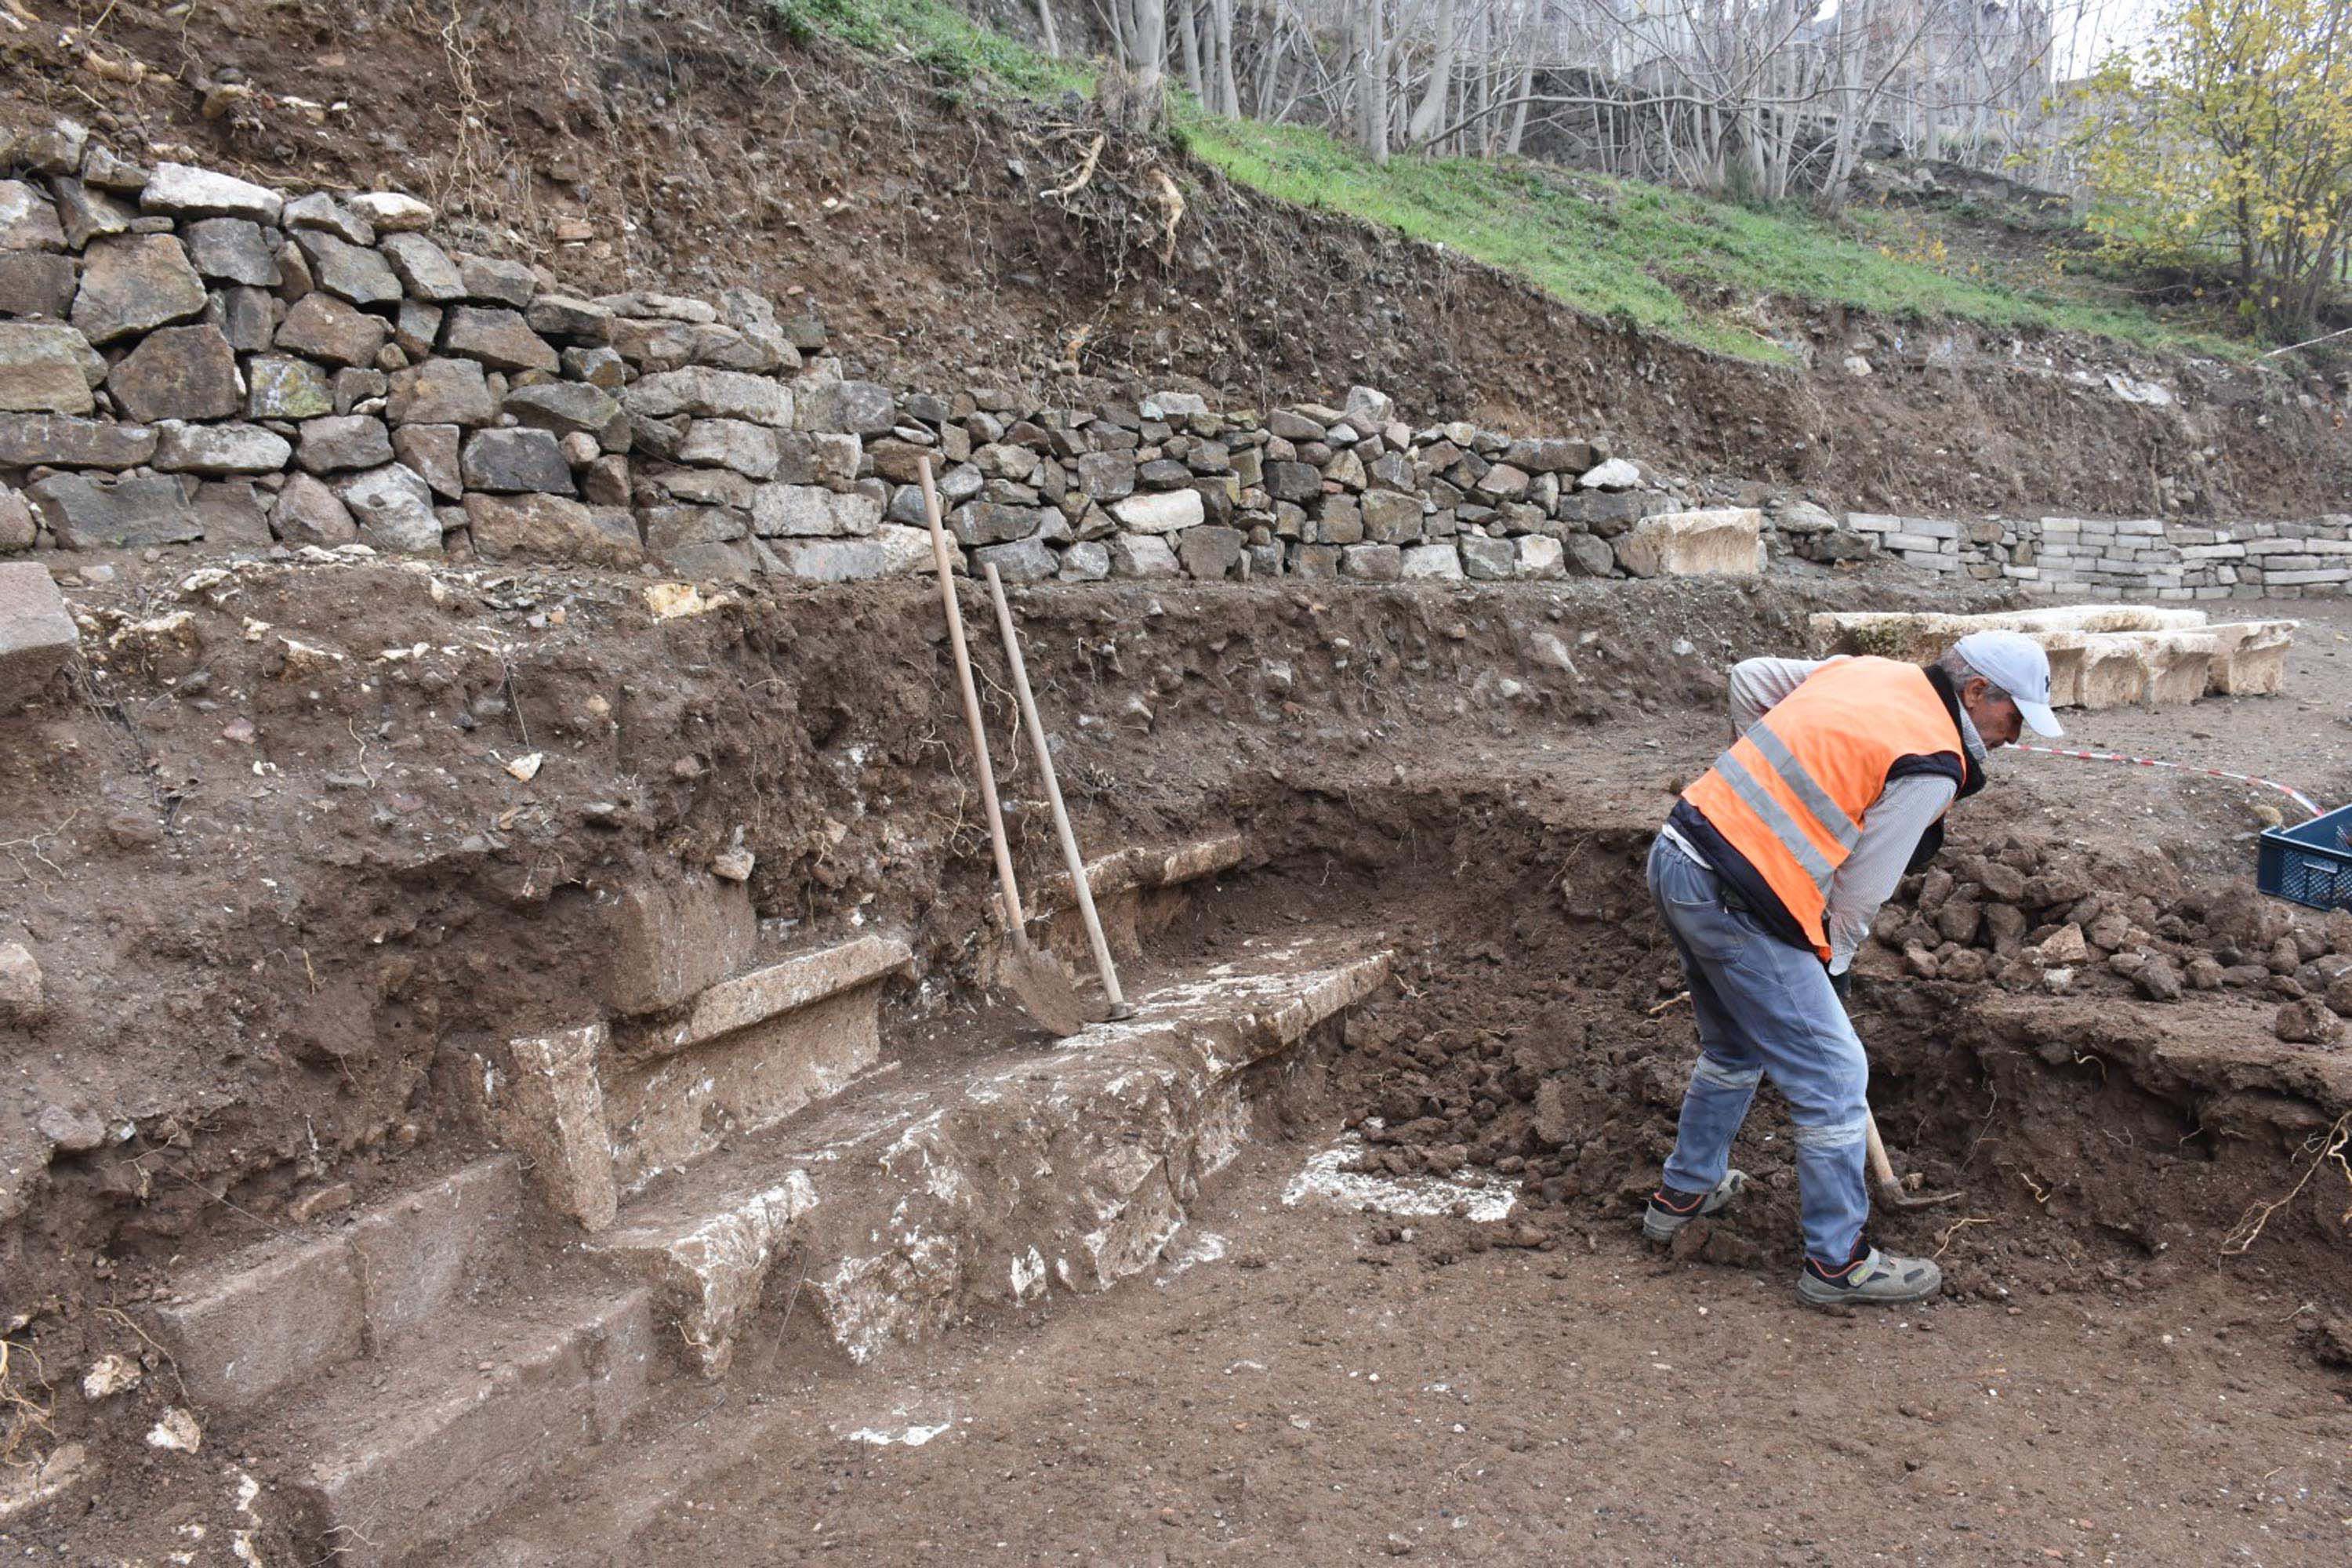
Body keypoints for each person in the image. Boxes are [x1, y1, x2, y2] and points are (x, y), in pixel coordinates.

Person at [1637, 631, 2063, 1305]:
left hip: (1680, 854)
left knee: (1734, 1047)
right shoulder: (1932, 760)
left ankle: (1683, 1196)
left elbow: (1749, 676)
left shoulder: (1870, 673)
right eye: (2015, 719)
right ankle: (1838, 1264)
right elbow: (1863, 889)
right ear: (1977, 692)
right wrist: (1835, 954)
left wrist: (1762, 801)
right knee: (1836, 1076)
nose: (2015, 737)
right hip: (1742, 897)